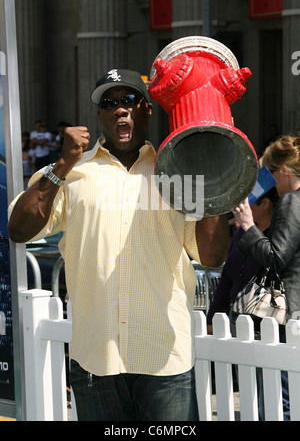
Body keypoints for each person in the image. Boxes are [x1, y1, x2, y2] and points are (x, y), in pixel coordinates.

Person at [7, 69, 229, 422]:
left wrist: (208, 176)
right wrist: (62, 164)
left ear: (147, 110)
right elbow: (18, 229)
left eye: (129, 100)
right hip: (96, 358)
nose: (120, 109)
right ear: (100, 115)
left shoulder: (174, 173)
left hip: (165, 358)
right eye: (109, 103)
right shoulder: (71, 172)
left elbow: (213, 256)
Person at [232, 135, 300, 421]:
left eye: (269, 174)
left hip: (289, 316)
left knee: (279, 400)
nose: (268, 182)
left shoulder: (290, 202)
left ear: (283, 172)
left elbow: (276, 258)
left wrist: (248, 227)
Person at [206, 187, 278, 335]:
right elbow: (227, 278)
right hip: (236, 318)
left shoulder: (278, 235)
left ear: (265, 203)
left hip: (266, 323)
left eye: (247, 202)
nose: (241, 206)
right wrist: (211, 319)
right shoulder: (241, 233)